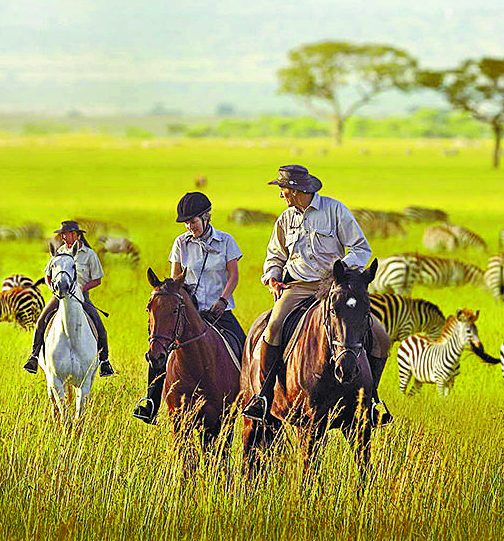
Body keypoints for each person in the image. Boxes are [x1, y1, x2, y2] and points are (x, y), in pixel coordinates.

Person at [243, 165, 392, 425]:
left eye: (283, 189)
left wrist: (342, 271)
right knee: (273, 327)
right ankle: (264, 396)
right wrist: (272, 277)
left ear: (297, 190)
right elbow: (275, 255)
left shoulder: (335, 210)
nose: (281, 195)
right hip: (298, 287)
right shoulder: (286, 219)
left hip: (334, 286)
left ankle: (372, 400)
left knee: (380, 337)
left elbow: (361, 248)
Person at [132, 192, 245, 424]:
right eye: (186, 223)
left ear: (206, 217)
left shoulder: (226, 241)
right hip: (188, 313)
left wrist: (223, 300)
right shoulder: (180, 243)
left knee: (244, 347)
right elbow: (175, 279)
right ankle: (151, 402)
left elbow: (233, 276)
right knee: (159, 350)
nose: (189, 226)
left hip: (219, 312)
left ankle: (251, 398)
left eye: (192, 221)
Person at [23, 220, 115, 377]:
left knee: (100, 326)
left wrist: (81, 288)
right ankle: (34, 356)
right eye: (62, 235)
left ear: (76, 235)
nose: (63, 237)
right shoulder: (60, 251)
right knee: (41, 320)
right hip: (60, 295)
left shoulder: (89, 255)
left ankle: (104, 362)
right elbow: (47, 274)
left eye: (65, 234)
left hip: (81, 296)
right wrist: (52, 287)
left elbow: (97, 279)